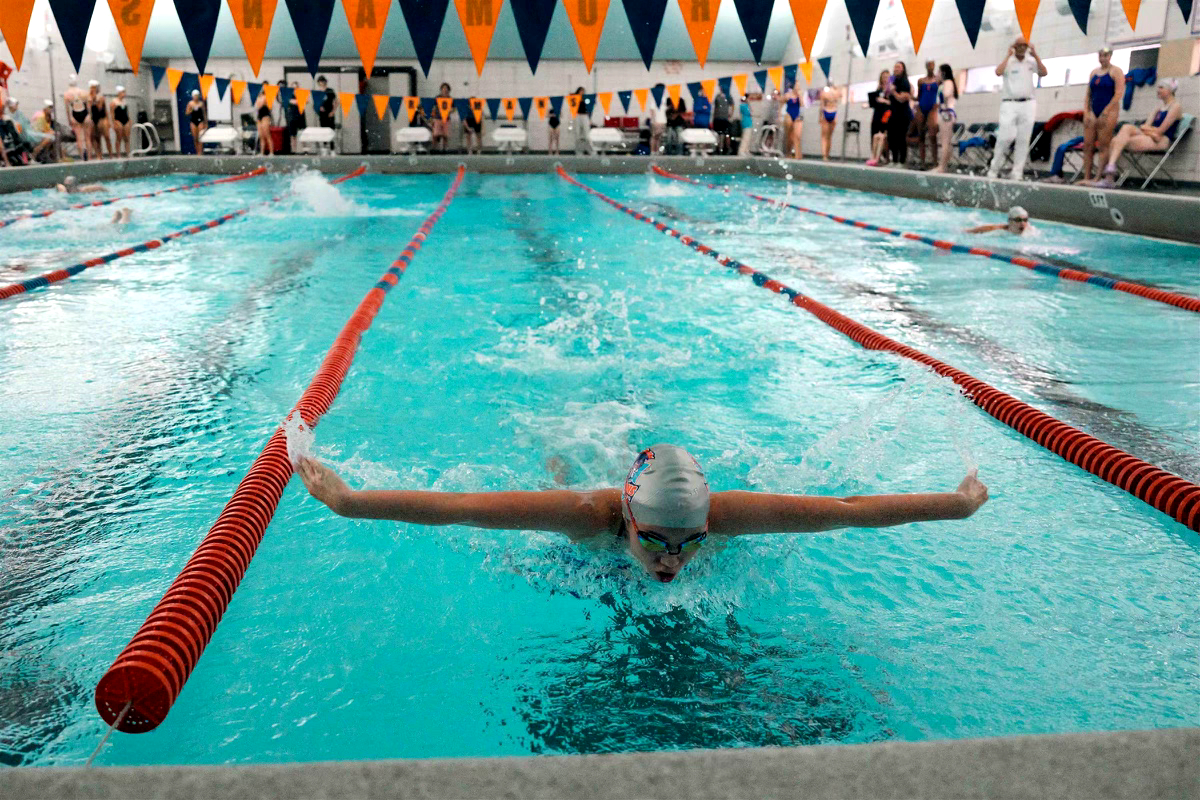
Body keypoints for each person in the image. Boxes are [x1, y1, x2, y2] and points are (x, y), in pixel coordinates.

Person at [297, 444, 989, 584]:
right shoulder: (591, 517)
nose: (674, 560)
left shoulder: (729, 516)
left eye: (691, 543)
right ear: (628, 519)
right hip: (577, 539)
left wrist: (957, 508)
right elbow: (463, 509)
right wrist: (351, 502)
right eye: (657, 540)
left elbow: (849, 512)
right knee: (560, 481)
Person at [1091, 79, 1182, 188]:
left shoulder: (1176, 107)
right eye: (1158, 87)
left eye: (1161, 87)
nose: (1158, 90)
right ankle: (1111, 168)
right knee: (1125, 128)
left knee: (1117, 141)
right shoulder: (1158, 109)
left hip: (1162, 140)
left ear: (1170, 90)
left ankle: (1109, 177)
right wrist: (1151, 131)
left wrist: (1150, 130)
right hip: (1152, 137)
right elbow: (1145, 127)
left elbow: (1161, 131)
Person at [987, 36, 1047, 180]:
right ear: (1013, 47)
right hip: (1009, 103)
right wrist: (1008, 55)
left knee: (1023, 139)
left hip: (1028, 104)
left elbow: (1044, 73)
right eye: (1018, 46)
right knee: (1005, 137)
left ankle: (1017, 173)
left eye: (1024, 46)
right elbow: (998, 72)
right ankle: (994, 169)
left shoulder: (1031, 61)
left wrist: (1035, 54)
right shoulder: (1009, 61)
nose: (1021, 48)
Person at [1080, 47, 1125, 183]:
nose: (1102, 58)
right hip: (1093, 111)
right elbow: (1088, 94)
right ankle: (1086, 176)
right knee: (1088, 145)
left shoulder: (1116, 71)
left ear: (1110, 56)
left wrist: (1106, 111)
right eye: (1100, 55)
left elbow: (1118, 94)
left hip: (1109, 112)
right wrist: (1086, 112)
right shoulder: (1094, 72)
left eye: (1105, 55)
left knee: (1103, 146)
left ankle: (1098, 177)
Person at [932, 64, 958, 173]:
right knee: (946, 142)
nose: (936, 74)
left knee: (945, 142)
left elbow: (946, 94)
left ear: (943, 73)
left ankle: (941, 167)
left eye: (938, 72)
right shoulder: (946, 83)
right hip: (946, 113)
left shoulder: (947, 82)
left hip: (947, 113)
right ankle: (944, 165)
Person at [914, 60, 940, 167]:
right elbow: (919, 96)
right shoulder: (921, 81)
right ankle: (923, 162)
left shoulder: (938, 80)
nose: (930, 67)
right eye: (928, 65)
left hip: (932, 109)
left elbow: (942, 94)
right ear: (926, 66)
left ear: (934, 66)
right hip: (921, 108)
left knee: (932, 135)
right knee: (921, 136)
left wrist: (939, 105)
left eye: (932, 65)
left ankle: (935, 162)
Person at [887, 62, 912, 166]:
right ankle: (894, 160)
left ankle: (901, 161)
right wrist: (889, 89)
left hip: (903, 114)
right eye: (895, 66)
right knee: (891, 137)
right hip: (893, 113)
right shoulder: (893, 81)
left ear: (903, 69)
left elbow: (902, 99)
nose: (896, 68)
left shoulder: (904, 82)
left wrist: (894, 92)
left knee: (901, 138)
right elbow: (888, 96)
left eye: (898, 67)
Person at [865, 70, 892, 166]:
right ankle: (875, 156)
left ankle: (884, 156)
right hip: (877, 114)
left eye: (887, 77)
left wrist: (883, 100)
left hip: (886, 115)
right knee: (874, 135)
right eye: (883, 77)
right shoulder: (878, 89)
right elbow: (874, 102)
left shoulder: (891, 89)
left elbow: (892, 103)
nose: (885, 79)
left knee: (883, 136)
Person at [65, 79, 90, 161]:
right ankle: (89, 159)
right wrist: (89, 116)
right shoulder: (84, 92)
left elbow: (67, 110)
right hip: (85, 114)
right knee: (87, 138)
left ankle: (82, 158)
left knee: (79, 139)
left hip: (75, 115)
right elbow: (88, 107)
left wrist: (69, 120)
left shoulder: (66, 94)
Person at [88, 80, 112, 158]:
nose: (93, 90)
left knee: (107, 137)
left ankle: (111, 155)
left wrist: (108, 121)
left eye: (95, 88)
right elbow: (88, 110)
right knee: (96, 139)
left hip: (102, 118)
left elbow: (102, 109)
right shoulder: (88, 98)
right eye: (92, 88)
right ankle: (99, 155)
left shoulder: (101, 98)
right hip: (93, 119)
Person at [966, 205, 1031, 235]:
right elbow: (970, 231)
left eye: (1025, 220)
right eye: (1018, 220)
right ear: (1010, 221)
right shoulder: (998, 229)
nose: (1022, 223)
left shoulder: (1030, 231)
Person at [818, 83, 841, 161]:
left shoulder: (824, 93)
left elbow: (821, 106)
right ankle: (826, 155)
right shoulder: (835, 92)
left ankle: (825, 155)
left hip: (828, 112)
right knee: (828, 136)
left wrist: (820, 117)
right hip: (832, 112)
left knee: (825, 136)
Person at [110, 86, 132, 158]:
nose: (124, 93)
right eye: (123, 92)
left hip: (126, 120)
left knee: (127, 138)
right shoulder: (114, 102)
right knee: (118, 138)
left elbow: (126, 112)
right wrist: (113, 123)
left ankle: (128, 153)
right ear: (119, 93)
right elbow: (112, 113)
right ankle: (118, 154)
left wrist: (129, 120)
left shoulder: (124, 101)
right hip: (118, 121)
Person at [783, 82, 803, 158]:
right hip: (789, 114)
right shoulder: (788, 95)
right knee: (790, 136)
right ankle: (788, 153)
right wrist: (779, 116)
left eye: (799, 86)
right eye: (796, 86)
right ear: (793, 87)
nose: (798, 87)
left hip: (797, 115)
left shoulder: (800, 95)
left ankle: (798, 155)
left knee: (797, 136)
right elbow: (781, 103)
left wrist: (800, 95)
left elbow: (803, 104)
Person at [186, 88, 208, 155]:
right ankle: (197, 151)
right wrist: (191, 109)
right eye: (195, 96)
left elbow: (204, 114)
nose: (196, 97)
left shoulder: (201, 104)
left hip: (200, 121)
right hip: (193, 121)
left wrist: (206, 123)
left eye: (197, 95)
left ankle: (200, 152)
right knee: (195, 138)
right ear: (193, 96)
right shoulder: (190, 104)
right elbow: (187, 113)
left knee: (200, 138)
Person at [285, 81, 305, 153]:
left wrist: (299, 101)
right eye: (293, 87)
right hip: (292, 117)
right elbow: (291, 101)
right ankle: (294, 151)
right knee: (293, 135)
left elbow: (306, 101)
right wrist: (299, 101)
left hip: (300, 116)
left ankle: (304, 150)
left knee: (303, 133)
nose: (295, 89)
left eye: (296, 87)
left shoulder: (301, 94)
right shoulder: (289, 95)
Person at [431, 83, 452, 152]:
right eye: (443, 88)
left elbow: (454, 108)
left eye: (446, 88)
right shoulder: (437, 98)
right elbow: (433, 108)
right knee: (435, 135)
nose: (445, 90)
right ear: (441, 89)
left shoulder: (450, 98)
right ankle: (434, 149)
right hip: (438, 118)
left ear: (448, 90)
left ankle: (445, 149)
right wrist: (432, 118)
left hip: (446, 119)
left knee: (445, 136)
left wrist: (450, 111)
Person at [571, 87, 592, 155]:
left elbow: (589, 109)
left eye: (583, 91)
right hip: (577, 115)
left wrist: (589, 119)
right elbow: (572, 104)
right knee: (577, 134)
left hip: (585, 116)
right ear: (578, 91)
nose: (582, 92)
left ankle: (589, 150)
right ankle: (578, 151)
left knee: (587, 134)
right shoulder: (574, 98)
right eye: (581, 91)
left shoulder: (586, 98)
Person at [712, 87, 732, 154]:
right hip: (718, 118)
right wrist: (713, 118)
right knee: (718, 135)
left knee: (725, 135)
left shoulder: (729, 96)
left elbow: (732, 104)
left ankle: (725, 148)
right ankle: (718, 149)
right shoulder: (717, 96)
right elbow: (715, 107)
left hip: (724, 119)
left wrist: (731, 113)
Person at [649, 84, 667, 154]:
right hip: (656, 121)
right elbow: (652, 111)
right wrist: (654, 120)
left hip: (663, 121)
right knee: (654, 136)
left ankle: (658, 151)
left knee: (660, 137)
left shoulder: (665, 99)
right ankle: (653, 151)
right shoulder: (654, 98)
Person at [255, 89, 273, 155]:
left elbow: (260, 105)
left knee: (267, 135)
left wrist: (259, 99)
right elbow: (257, 106)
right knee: (261, 136)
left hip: (265, 116)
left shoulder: (266, 97)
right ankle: (262, 152)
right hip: (259, 116)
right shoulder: (259, 97)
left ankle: (271, 152)